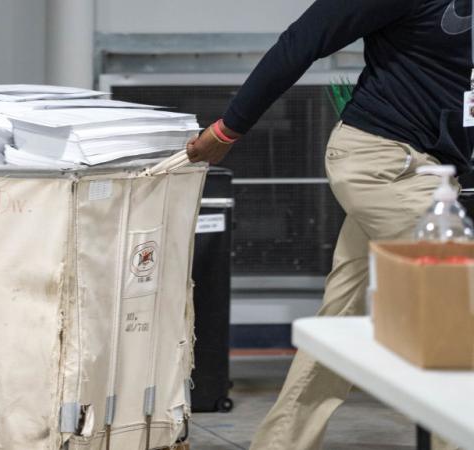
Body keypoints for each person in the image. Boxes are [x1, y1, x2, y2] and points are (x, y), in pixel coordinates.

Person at [186, 0, 473, 449]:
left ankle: (281, 444)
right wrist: (228, 130)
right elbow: (303, 41)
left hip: (433, 170)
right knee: (458, 309)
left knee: (341, 316)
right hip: (381, 163)